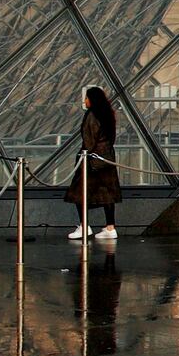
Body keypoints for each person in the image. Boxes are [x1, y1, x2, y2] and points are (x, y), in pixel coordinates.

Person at [62, 85, 122, 241]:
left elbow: (89, 139)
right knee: (107, 194)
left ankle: (84, 226)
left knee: (78, 193)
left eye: (87, 98)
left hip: (91, 161)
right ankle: (110, 228)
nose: (85, 100)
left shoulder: (92, 115)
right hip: (106, 159)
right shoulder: (108, 115)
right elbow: (110, 139)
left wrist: (83, 156)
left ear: (92, 99)